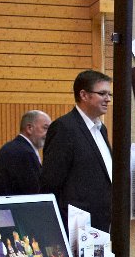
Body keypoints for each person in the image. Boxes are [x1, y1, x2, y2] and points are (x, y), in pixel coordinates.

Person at [40, 70, 113, 233]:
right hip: (76, 227)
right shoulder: (64, 128)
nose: (108, 99)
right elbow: (50, 182)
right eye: (102, 93)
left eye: (109, 94)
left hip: (102, 224)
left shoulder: (101, 129)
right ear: (84, 95)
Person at [0, 110, 51, 196]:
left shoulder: (13, 148)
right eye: (45, 128)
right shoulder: (25, 153)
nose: (49, 133)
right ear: (29, 128)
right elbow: (35, 192)